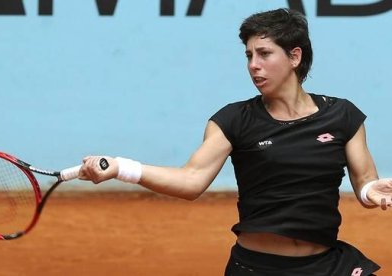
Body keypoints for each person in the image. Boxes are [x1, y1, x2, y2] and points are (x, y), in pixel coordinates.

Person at [78, 8, 390, 276]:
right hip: (258, 268)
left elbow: (364, 181)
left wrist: (369, 191)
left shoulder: (342, 116)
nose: (254, 65)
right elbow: (191, 180)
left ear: (295, 56)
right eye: (249, 55)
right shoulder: (233, 120)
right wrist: (121, 167)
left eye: (264, 54)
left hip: (326, 265)